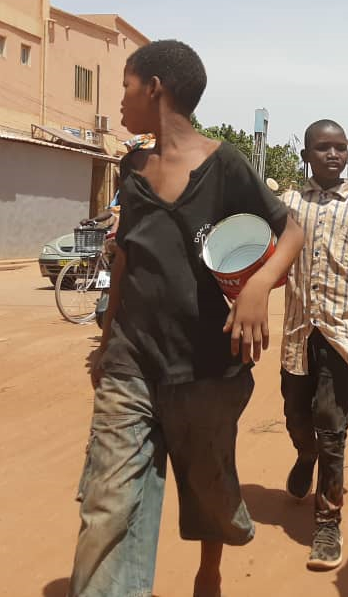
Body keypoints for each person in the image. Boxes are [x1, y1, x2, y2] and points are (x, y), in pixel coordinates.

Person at [67, 40, 304, 597]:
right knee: (107, 504)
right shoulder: (132, 166)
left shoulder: (226, 166)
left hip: (206, 366)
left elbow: (291, 229)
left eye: (126, 86)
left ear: (155, 88)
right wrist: (105, 344)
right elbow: (126, 258)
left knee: (209, 486)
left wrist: (260, 288)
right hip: (131, 362)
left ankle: (209, 568)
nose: (120, 100)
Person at [278, 119, 348, 571]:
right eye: (323, 148)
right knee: (295, 416)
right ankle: (303, 454)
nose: (332, 155)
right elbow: (269, 253)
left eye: (340, 148)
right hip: (297, 332)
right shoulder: (287, 203)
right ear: (307, 154)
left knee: (332, 425)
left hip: (341, 332)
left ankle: (327, 521)